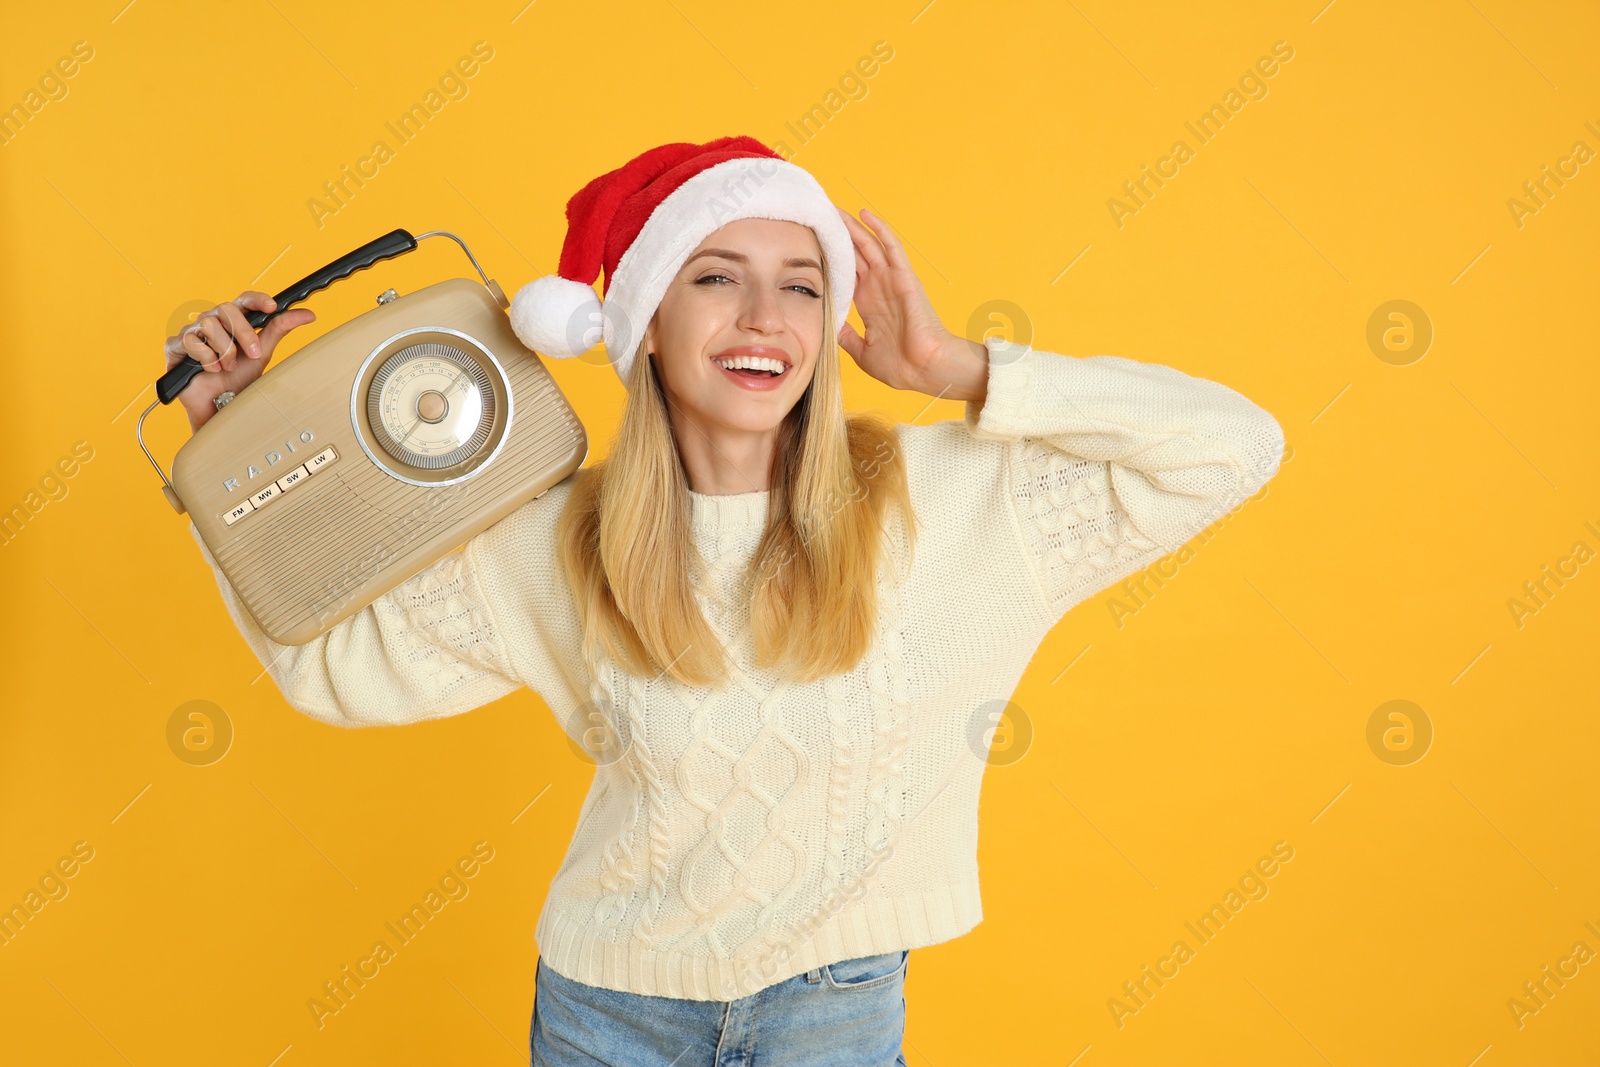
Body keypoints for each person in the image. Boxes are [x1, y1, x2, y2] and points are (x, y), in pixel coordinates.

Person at [167, 135, 1286, 1066]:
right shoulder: (553, 535)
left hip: (834, 1015)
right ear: (644, 320)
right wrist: (243, 443)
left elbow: (1234, 446)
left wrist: (958, 367)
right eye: (714, 276)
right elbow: (335, 669)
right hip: (607, 1014)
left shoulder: (956, 498)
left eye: (801, 285)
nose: (765, 317)